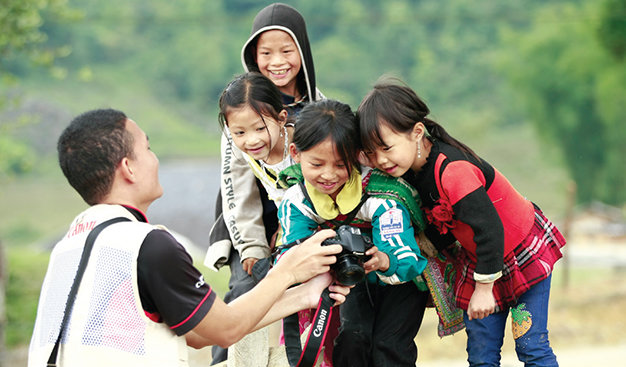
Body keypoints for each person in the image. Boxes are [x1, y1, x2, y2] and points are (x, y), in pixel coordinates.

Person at [27, 109, 350, 367]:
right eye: (148, 149)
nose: (155, 159)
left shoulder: (68, 246)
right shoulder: (146, 244)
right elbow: (226, 330)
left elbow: (198, 333)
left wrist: (305, 295)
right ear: (129, 168)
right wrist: (288, 271)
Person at [357, 79, 566, 366]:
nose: (380, 160)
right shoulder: (408, 172)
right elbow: (440, 230)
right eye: (371, 153)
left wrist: (483, 289)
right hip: (480, 261)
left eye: (386, 148)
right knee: (481, 356)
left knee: (530, 345)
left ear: (417, 132)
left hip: (518, 257)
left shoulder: (453, 171)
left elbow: (490, 229)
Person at [205, 3, 323, 364]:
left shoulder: (321, 106)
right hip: (252, 219)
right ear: (253, 57)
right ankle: (226, 361)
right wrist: (253, 248)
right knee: (245, 286)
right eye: (266, 53)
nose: (277, 61)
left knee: (318, 293)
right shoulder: (239, 108)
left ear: (302, 51)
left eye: (287, 50)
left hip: (311, 214)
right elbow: (236, 186)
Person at [277, 99, 430, 366]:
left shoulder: (382, 194)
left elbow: (405, 257)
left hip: (401, 282)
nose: (328, 175)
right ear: (295, 152)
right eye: (316, 164)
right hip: (351, 281)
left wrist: (384, 259)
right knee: (351, 340)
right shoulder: (297, 201)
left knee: (389, 348)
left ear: (357, 155)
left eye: (340, 164)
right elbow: (289, 255)